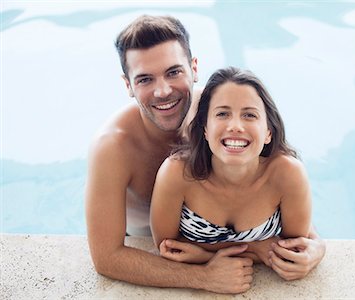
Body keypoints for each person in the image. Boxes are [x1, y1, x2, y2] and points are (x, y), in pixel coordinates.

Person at [85, 15, 326, 294]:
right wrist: (204, 277)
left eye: (173, 72)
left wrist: (317, 246)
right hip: (151, 240)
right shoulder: (113, 147)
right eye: (145, 79)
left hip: (235, 228)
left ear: (194, 68)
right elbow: (106, 258)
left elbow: (274, 178)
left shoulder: (220, 114)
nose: (163, 91)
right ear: (128, 84)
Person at [150, 67, 312, 273]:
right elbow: (167, 246)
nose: (235, 126)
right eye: (223, 113)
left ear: (268, 133)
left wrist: (205, 255)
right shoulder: (177, 173)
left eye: (249, 115)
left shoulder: (288, 174)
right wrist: (254, 248)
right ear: (206, 129)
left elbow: (293, 252)